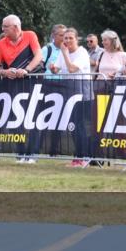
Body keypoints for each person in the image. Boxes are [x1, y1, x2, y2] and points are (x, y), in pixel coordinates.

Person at [0, 14, 43, 162]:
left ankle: (32, 154)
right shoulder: (1, 43)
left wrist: (26, 70)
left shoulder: (30, 35)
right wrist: (4, 72)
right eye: (3, 26)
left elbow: (38, 55)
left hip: (32, 82)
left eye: (5, 27)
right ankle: (20, 154)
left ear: (15, 27)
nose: (2, 29)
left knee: (33, 117)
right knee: (15, 119)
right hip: (13, 85)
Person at [50, 28, 94, 166]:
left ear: (77, 39)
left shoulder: (82, 52)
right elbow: (57, 69)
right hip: (69, 91)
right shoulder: (64, 53)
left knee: (79, 124)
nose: (67, 41)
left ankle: (84, 156)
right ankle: (80, 156)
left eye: (70, 38)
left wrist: (64, 53)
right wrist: (53, 68)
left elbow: (71, 69)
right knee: (72, 125)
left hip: (82, 91)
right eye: (65, 38)